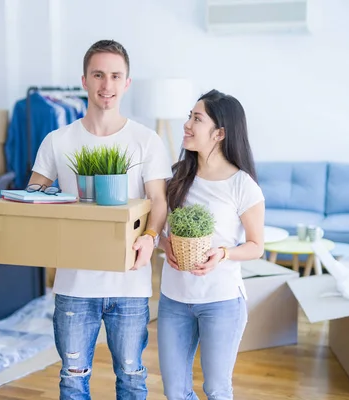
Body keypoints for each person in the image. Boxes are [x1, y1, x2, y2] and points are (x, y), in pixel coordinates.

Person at [27, 39, 172, 399]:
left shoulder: (146, 140)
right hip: (74, 287)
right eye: (98, 75)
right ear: (84, 80)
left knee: (132, 377)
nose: (106, 85)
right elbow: (32, 197)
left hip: (130, 286)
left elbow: (158, 200)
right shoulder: (58, 140)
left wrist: (150, 236)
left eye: (115, 76)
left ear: (127, 83)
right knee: (73, 380)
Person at [157, 89, 265, 400]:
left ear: (219, 133)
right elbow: (160, 233)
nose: (187, 124)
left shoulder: (242, 185)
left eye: (196, 118)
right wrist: (165, 245)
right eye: (189, 116)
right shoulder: (176, 178)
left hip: (221, 301)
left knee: (217, 390)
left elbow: (256, 245)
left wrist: (224, 253)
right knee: (175, 392)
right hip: (173, 300)